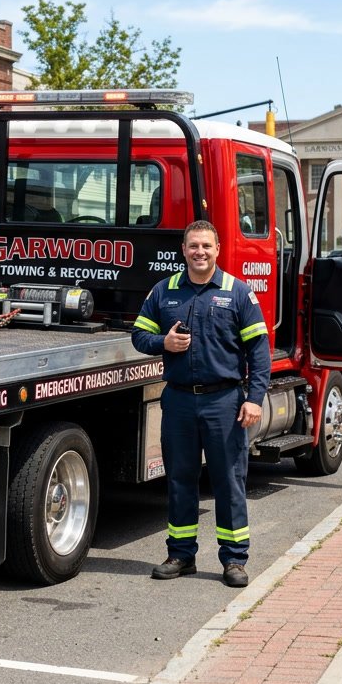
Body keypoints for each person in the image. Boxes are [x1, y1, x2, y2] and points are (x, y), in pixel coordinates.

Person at [131, 220, 271, 588]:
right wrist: (164, 342)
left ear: (218, 249)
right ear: (183, 249)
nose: (200, 252)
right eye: (193, 246)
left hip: (224, 401)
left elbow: (259, 353)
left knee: (228, 481)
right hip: (178, 400)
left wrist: (254, 399)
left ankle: (234, 560)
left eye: (206, 246)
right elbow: (138, 335)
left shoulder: (237, 293)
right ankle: (180, 555)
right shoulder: (164, 291)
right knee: (179, 479)